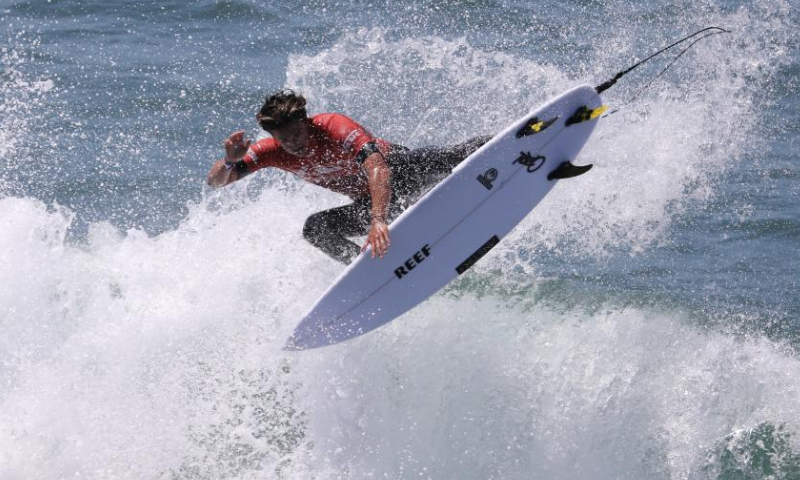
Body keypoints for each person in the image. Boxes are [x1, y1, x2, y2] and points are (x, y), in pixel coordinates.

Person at [207, 89, 490, 264]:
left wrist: (378, 221)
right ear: (273, 137)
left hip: (398, 171)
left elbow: (377, 166)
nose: (294, 143)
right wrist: (230, 161)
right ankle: (369, 269)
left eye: (297, 134)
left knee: (449, 155)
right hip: (370, 201)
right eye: (285, 139)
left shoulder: (332, 126)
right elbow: (215, 182)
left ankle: (523, 136)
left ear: (306, 122)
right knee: (315, 228)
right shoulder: (271, 152)